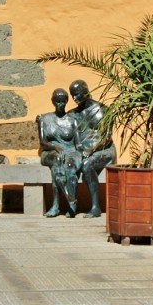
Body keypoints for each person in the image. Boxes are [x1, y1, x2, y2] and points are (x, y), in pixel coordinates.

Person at [68, 79, 117, 218]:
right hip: (81, 151)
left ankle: (95, 207)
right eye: (73, 95)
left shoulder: (103, 110)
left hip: (104, 150)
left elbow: (107, 138)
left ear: (86, 91)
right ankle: (71, 205)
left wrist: (91, 150)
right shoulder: (73, 114)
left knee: (87, 164)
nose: (75, 98)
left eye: (77, 94)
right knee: (68, 164)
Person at [36, 88, 82, 218]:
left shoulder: (73, 121)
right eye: (57, 101)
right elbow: (43, 142)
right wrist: (55, 147)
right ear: (52, 101)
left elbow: (77, 144)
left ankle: (71, 205)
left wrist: (83, 153)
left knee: (69, 167)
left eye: (62, 102)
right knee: (57, 161)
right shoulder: (44, 119)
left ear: (66, 102)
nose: (60, 104)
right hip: (50, 152)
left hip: (71, 152)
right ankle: (58, 203)